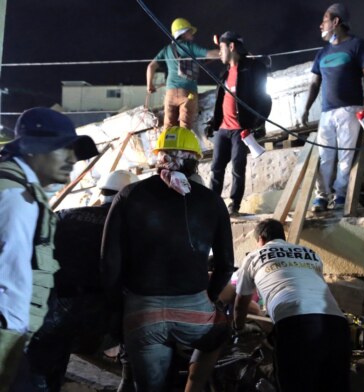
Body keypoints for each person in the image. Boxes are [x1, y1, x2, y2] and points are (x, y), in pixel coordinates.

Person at [101, 126, 235, 392]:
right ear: (195, 160)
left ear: (158, 156)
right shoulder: (212, 201)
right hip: (195, 311)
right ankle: (194, 385)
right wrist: (208, 296)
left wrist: (121, 308)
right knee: (221, 332)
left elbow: (109, 264)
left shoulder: (128, 195)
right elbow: (225, 265)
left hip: (143, 312)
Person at [0, 107, 98, 391]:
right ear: (33, 150)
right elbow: (9, 279)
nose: (72, 159)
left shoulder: (20, 189)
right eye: (62, 149)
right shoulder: (16, 198)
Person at [24, 170, 138, 392]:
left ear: (102, 192)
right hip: (104, 323)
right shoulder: (135, 230)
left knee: (43, 368)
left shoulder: (64, 215)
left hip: (53, 311)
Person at [234, 218, 351, 392]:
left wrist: (239, 328)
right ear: (283, 236)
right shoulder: (311, 253)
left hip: (296, 326)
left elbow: (241, 304)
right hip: (337, 324)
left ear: (261, 240)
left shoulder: (254, 256)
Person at [300, 3, 364, 212]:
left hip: (350, 110)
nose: (320, 25)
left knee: (345, 155)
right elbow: (315, 83)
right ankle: (322, 197)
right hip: (327, 112)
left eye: (324, 20)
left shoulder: (357, 45)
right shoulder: (322, 53)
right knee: (325, 156)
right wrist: (306, 109)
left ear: (336, 22)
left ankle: (341, 195)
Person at [208, 31, 272, 216]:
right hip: (223, 129)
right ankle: (212, 204)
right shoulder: (224, 73)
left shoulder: (252, 69)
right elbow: (222, 101)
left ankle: (233, 205)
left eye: (221, 47)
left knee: (238, 166)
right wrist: (213, 123)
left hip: (240, 130)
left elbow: (264, 99)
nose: (219, 52)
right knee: (216, 168)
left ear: (231, 46)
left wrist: (257, 123)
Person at [146, 18, 219, 137]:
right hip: (187, 93)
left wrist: (150, 85)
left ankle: (167, 153)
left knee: (168, 128)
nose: (192, 35)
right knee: (185, 127)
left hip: (170, 94)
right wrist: (224, 53)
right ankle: (183, 153)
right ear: (183, 32)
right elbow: (210, 54)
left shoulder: (166, 50)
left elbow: (151, 66)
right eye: (190, 32)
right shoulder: (189, 46)